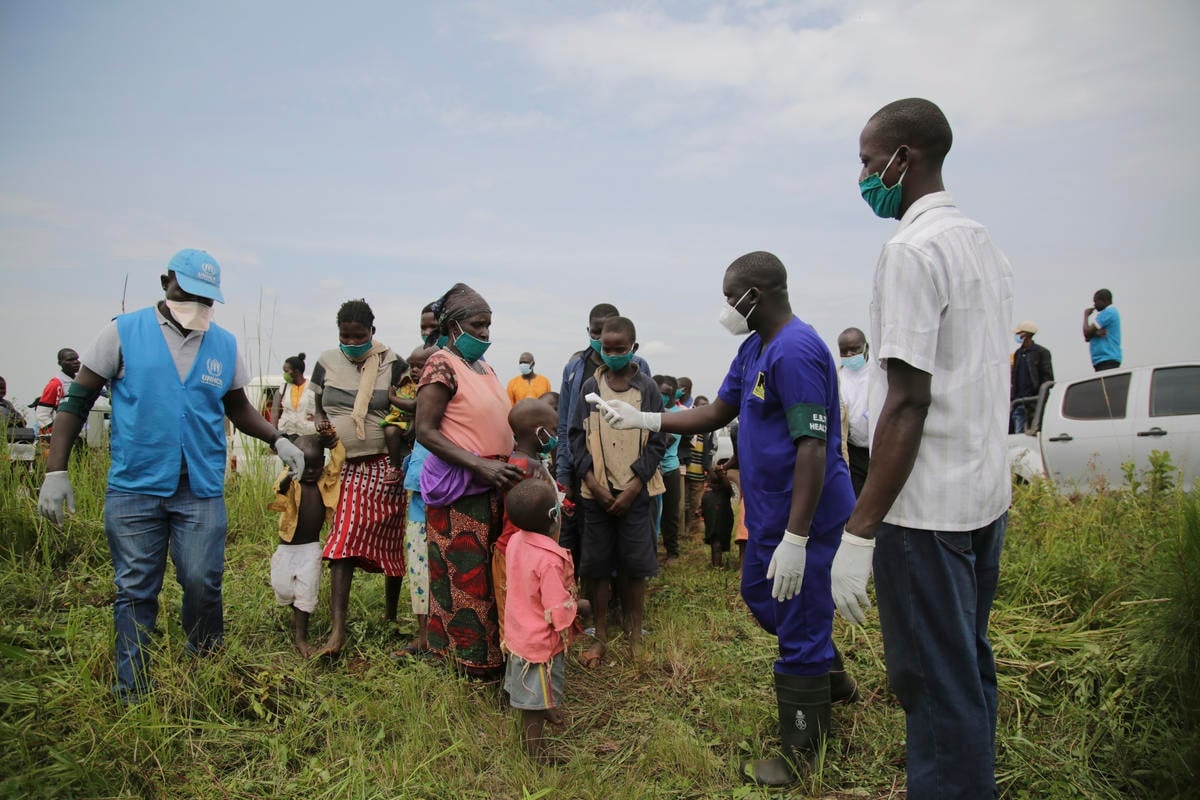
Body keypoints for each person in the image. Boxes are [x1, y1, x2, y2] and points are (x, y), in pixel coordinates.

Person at [597, 252, 857, 786]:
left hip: (802, 515)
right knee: (761, 597)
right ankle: (827, 672)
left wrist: (797, 537)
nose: (726, 308)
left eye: (729, 297)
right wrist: (646, 416)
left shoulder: (797, 351)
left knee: (800, 621)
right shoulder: (753, 347)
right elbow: (718, 412)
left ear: (754, 295)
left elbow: (812, 447)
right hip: (766, 510)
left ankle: (802, 752)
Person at [831, 98, 1014, 800]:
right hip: (981, 499)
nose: (864, 175)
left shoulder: (911, 251)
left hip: (926, 511)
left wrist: (860, 530)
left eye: (867, 161)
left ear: (902, 159)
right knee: (965, 664)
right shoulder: (981, 243)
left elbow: (907, 400)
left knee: (933, 685)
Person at [36, 249, 305, 703]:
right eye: (189, 292)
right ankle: (132, 690)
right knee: (136, 588)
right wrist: (56, 469)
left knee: (203, 580)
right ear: (166, 282)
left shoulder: (223, 344)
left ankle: (204, 668)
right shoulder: (121, 333)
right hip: (135, 488)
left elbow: (238, 408)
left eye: (207, 297)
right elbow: (77, 401)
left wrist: (277, 438)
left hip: (199, 489)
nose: (197, 304)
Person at [415, 283, 524, 679]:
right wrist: (479, 466)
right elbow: (426, 431)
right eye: (477, 325)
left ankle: (491, 655)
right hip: (461, 486)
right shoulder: (441, 363)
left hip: (493, 482)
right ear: (454, 326)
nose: (485, 333)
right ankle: (469, 661)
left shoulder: (486, 367)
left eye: (488, 326)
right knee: (464, 577)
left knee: (489, 574)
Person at [309, 298, 409, 657]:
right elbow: (318, 405)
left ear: (372, 332)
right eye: (345, 337)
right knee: (343, 542)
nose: (351, 343)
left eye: (358, 336)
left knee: (392, 540)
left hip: (386, 462)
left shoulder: (392, 363)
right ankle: (337, 631)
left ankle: (391, 616)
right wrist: (321, 423)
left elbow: (405, 408)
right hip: (345, 465)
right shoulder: (325, 362)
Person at [570, 315, 666, 666]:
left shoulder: (648, 390)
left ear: (633, 349)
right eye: (605, 348)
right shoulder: (588, 388)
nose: (611, 354)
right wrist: (594, 484)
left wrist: (634, 486)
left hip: (635, 493)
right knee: (595, 566)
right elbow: (576, 438)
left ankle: (634, 632)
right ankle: (600, 636)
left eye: (619, 349)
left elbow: (658, 440)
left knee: (635, 565)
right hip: (595, 493)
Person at [555, 303, 651, 569]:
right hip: (586, 469)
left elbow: (650, 424)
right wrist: (565, 474)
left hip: (628, 471)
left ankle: (619, 599)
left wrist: (639, 477)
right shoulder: (575, 369)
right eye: (596, 334)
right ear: (589, 331)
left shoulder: (640, 367)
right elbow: (566, 427)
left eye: (608, 334)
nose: (601, 340)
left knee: (627, 543)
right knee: (587, 538)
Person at [502, 479, 587, 764]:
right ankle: (535, 754)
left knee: (540, 684)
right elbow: (557, 609)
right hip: (539, 642)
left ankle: (547, 704)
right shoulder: (549, 560)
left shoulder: (515, 540)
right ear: (554, 518)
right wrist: (578, 609)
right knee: (532, 704)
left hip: (519, 634)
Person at [267, 428, 344, 656]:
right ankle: (294, 610)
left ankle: (301, 636)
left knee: (306, 593)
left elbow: (338, 460)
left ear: (322, 462)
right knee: (282, 588)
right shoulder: (292, 481)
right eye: (304, 465)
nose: (309, 471)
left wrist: (333, 441)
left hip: (310, 549)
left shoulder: (324, 482)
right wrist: (288, 476)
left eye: (315, 466)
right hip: (286, 548)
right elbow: (278, 492)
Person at [494, 398, 563, 650]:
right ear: (539, 432)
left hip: (531, 554)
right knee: (512, 614)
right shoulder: (521, 467)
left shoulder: (533, 462)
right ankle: (514, 669)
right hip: (516, 555)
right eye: (553, 431)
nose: (556, 436)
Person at [378, 344, 429, 485]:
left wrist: (392, 397)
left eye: (420, 367)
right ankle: (395, 467)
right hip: (401, 420)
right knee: (390, 430)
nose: (414, 370)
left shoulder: (428, 386)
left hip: (420, 426)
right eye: (412, 366)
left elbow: (414, 405)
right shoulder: (407, 382)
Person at [653, 374, 684, 563]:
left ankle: (672, 552)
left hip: (670, 468)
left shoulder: (675, 416)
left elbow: (666, 440)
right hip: (653, 470)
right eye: (661, 393)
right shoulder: (652, 412)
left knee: (670, 513)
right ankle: (652, 551)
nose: (664, 396)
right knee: (652, 514)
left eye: (667, 393)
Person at [837, 327, 872, 496]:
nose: (849, 355)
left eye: (854, 349)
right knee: (855, 502)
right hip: (853, 451)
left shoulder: (880, 374)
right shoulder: (838, 378)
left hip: (878, 449)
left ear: (866, 347)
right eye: (844, 352)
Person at [1011, 321, 1054, 433]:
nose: (1016, 336)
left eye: (1019, 333)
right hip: (1018, 401)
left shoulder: (1042, 352)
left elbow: (1047, 379)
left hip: (1034, 401)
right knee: (1018, 436)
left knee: (1036, 433)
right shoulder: (1018, 354)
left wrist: (1040, 397)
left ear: (1025, 334)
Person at [682, 396, 714, 540]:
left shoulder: (709, 427)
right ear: (694, 406)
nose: (704, 408)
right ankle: (681, 532)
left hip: (699, 473)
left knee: (696, 505)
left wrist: (708, 470)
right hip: (685, 470)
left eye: (706, 405)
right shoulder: (689, 422)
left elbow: (710, 451)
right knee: (683, 504)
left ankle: (693, 533)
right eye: (701, 405)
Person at [35, 347, 80, 440]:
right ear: (60, 363)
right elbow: (42, 414)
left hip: (77, 434)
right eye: (70, 360)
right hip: (59, 437)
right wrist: (55, 434)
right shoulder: (55, 384)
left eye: (76, 359)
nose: (76, 362)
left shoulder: (79, 382)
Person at [271, 352, 317, 438]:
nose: (284, 374)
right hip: (286, 431)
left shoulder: (313, 388)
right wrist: (274, 434)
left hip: (307, 433)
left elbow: (324, 408)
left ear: (296, 372)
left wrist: (318, 418)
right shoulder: (283, 389)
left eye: (286, 371)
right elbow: (274, 412)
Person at [701, 459, 734, 568]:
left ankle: (716, 565)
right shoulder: (713, 492)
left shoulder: (722, 491)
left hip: (719, 517)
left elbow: (728, 489)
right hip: (716, 519)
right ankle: (717, 566)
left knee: (715, 541)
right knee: (716, 542)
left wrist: (720, 473)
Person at [1083, 289, 1122, 371]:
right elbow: (1087, 337)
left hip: (1107, 358)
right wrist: (1095, 333)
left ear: (1103, 301)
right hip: (1103, 359)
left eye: (1096, 302)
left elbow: (1086, 333)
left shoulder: (1108, 312)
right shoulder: (1107, 313)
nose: (1094, 305)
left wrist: (1086, 315)